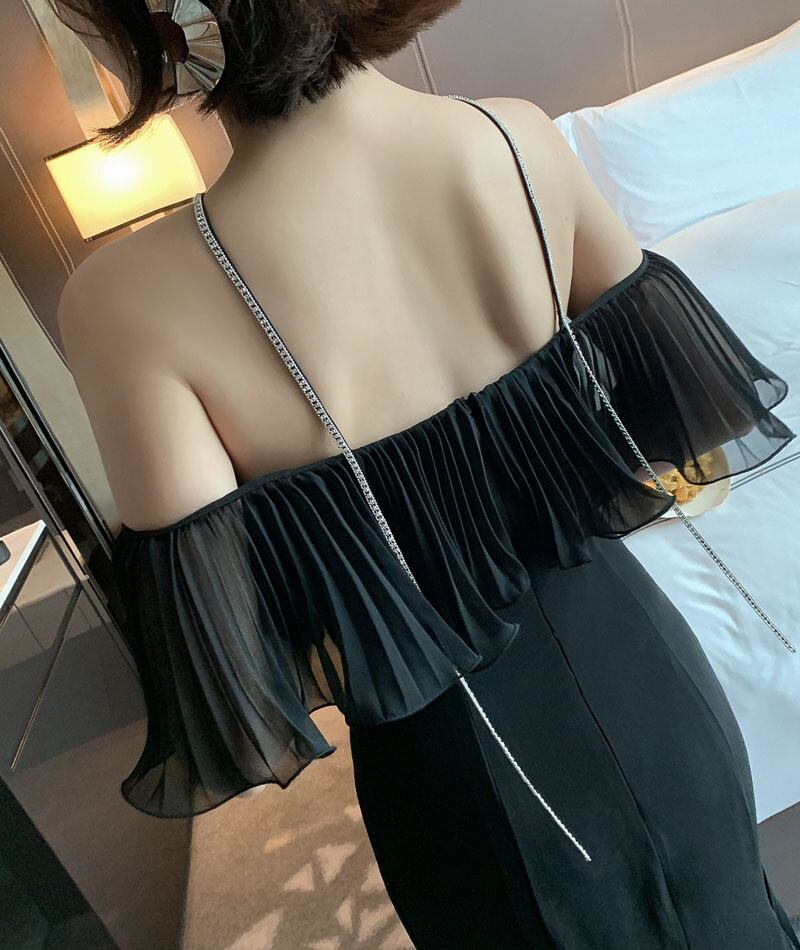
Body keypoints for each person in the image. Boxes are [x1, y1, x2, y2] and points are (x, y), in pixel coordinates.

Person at [54, 1, 798, 947]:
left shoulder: (125, 301)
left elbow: (235, 650)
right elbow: (684, 424)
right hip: (654, 678)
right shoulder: (515, 138)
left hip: (464, 770)